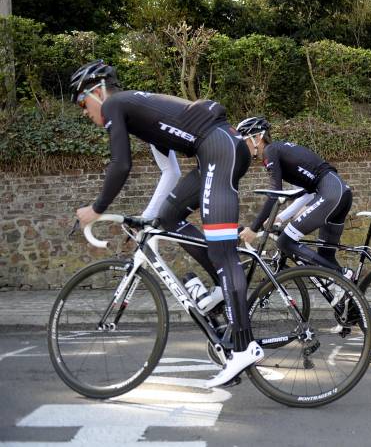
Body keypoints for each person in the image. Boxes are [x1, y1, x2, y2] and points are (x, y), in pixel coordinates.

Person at [70, 60, 263, 388]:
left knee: (223, 253)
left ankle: (244, 346)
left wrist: (97, 208)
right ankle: (222, 288)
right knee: (167, 220)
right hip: (215, 150)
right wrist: (147, 220)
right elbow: (170, 174)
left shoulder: (116, 104)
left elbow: (120, 165)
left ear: (98, 91)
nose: (84, 111)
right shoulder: (143, 119)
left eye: (81, 102)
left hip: (218, 150)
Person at [236, 117, 354, 301]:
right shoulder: (280, 151)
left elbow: (274, 192)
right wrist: (281, 217)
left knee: (284, 242)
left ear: (257, 137)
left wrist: (254, 228)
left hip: (331, 194)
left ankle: (341, 274)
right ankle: (352, 310)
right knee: (325, 256)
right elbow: (305, 192)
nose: (242, 147)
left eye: (243, 141)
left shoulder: (270, 151)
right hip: (340, 193)